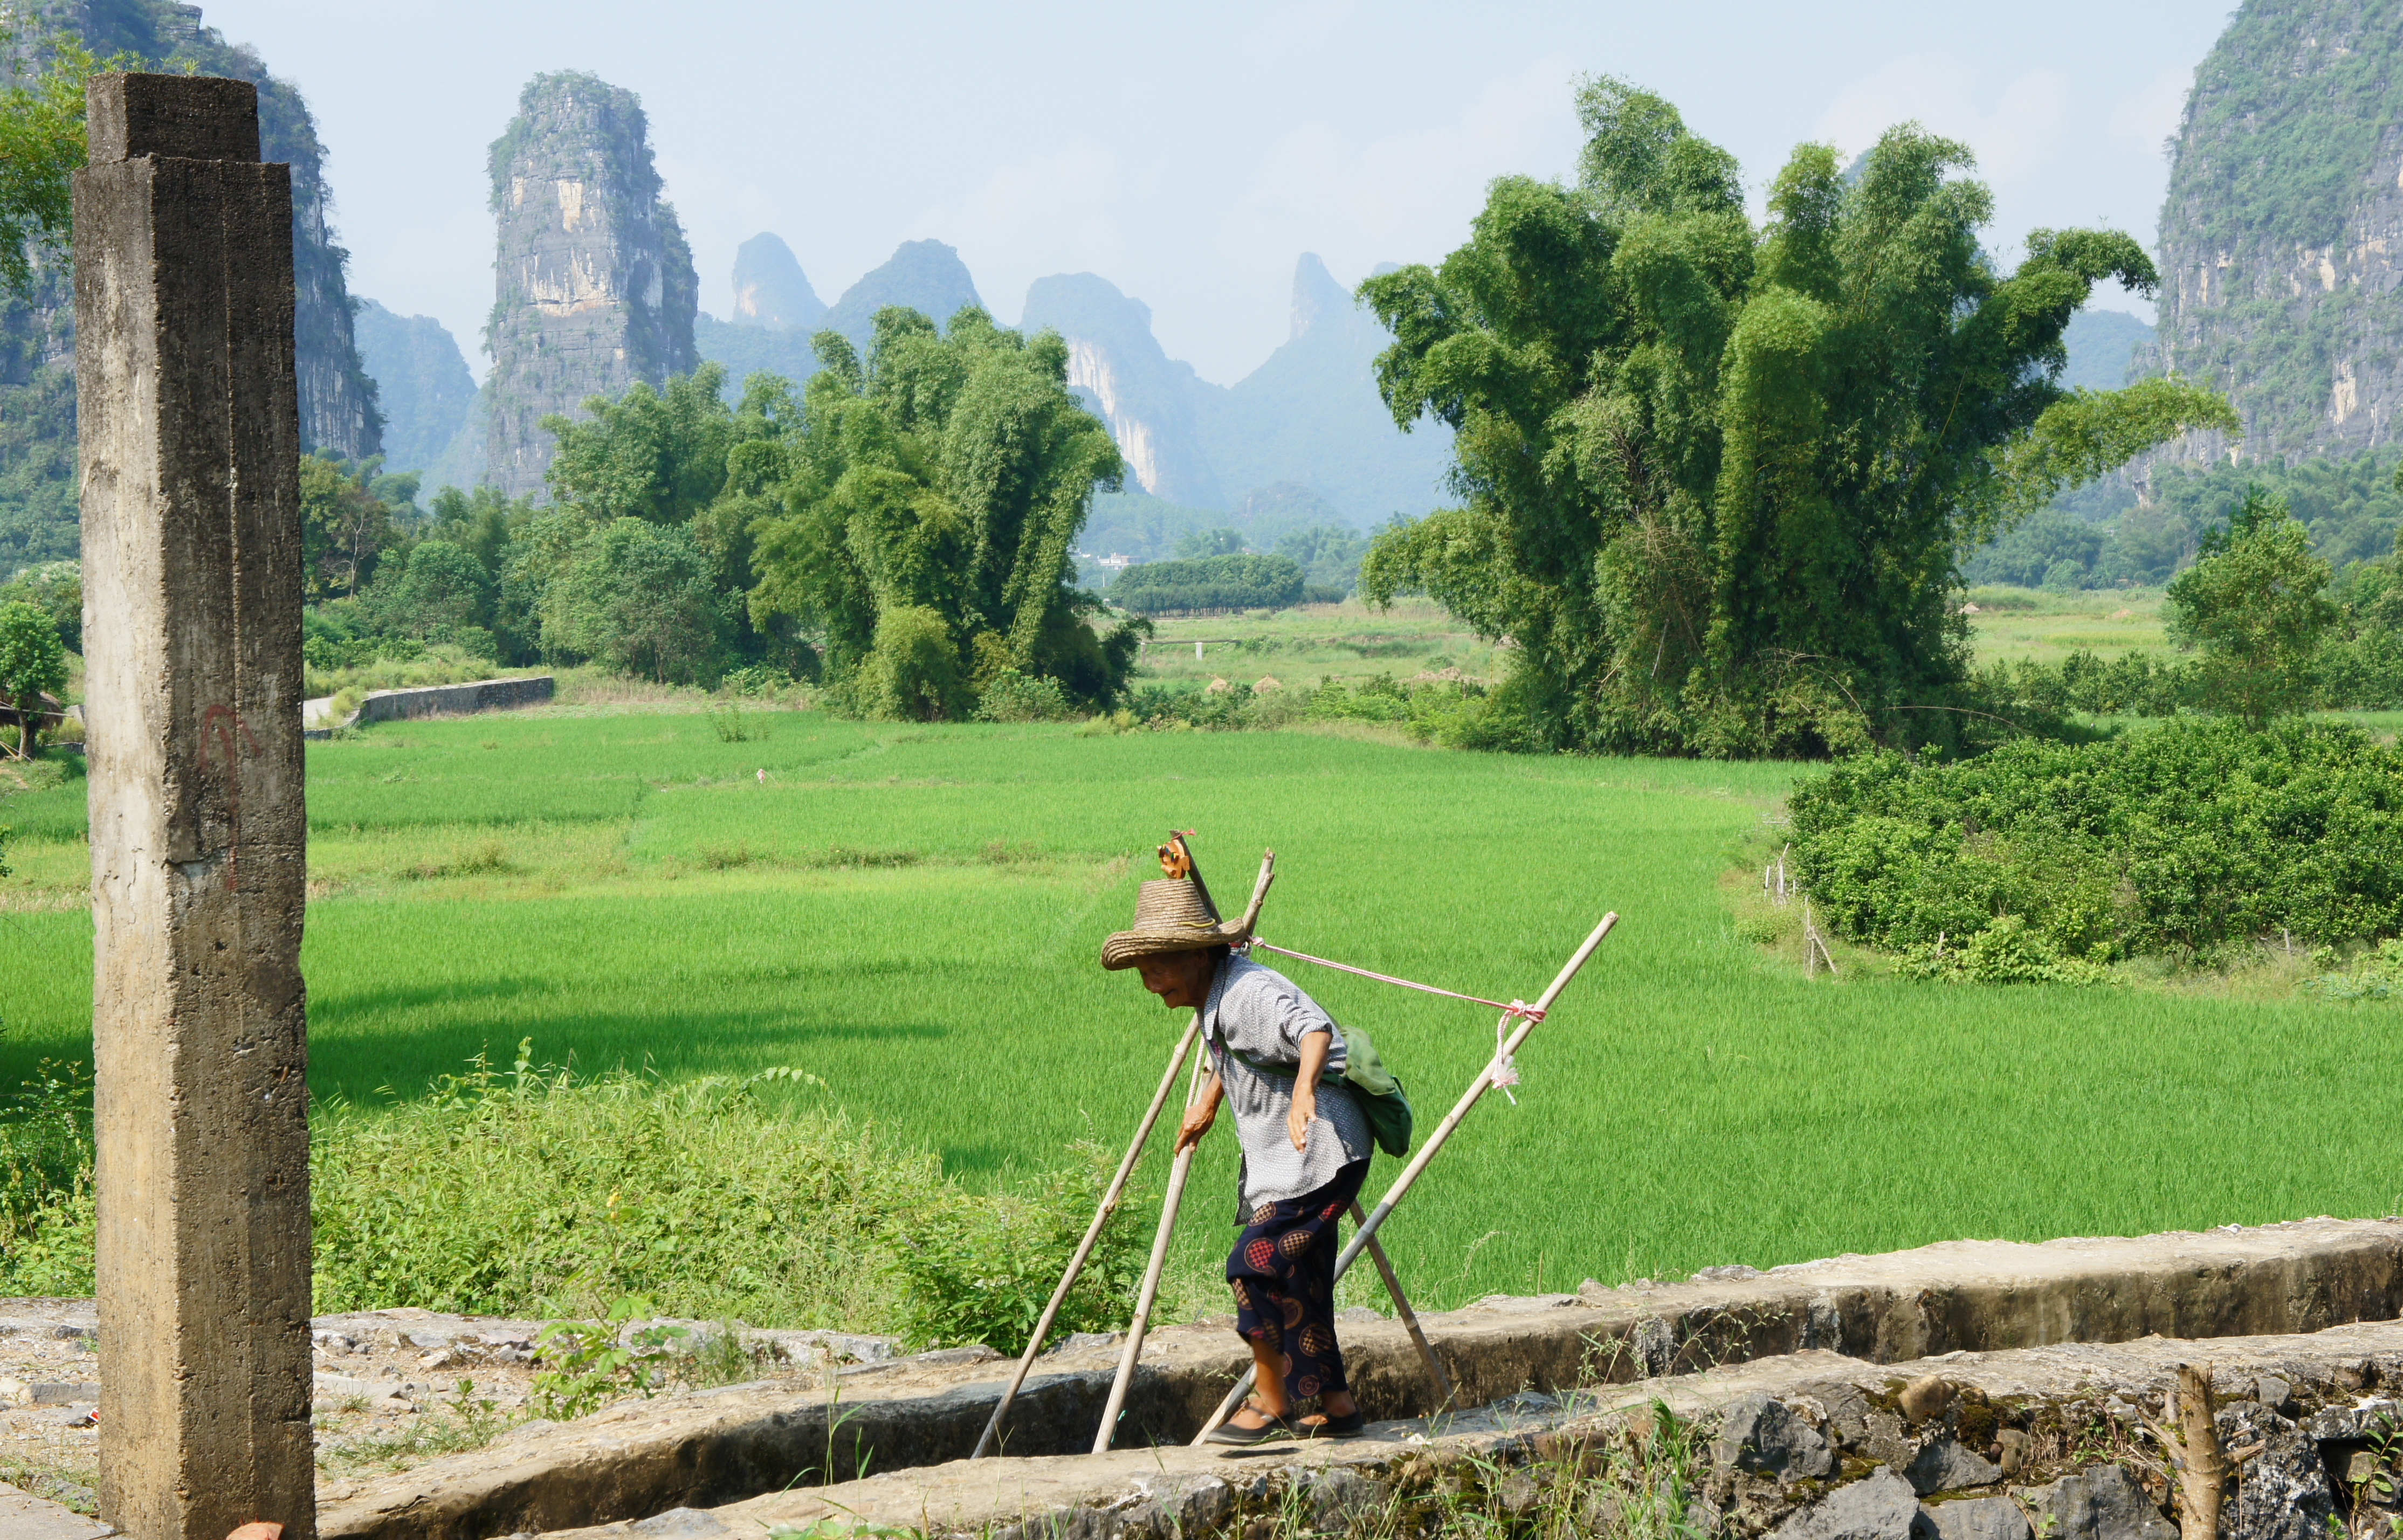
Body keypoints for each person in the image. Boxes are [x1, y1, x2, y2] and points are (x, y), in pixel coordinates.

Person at [1103, 869, 1372, 1446]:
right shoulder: (1216, 992)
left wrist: (1302, 1094)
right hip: (1293, 1157)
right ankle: (1336, 1406)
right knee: (1301, 1281)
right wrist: (1206, 1102)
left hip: (1320, 1151)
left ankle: (1271, 1400)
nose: (1151, 980)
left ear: (1201, 955)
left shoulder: (1246, 991)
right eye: (1144, 968)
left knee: (1252, 1263)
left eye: (1163, 963)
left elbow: (1313, 1030)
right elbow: (1245, 1055)